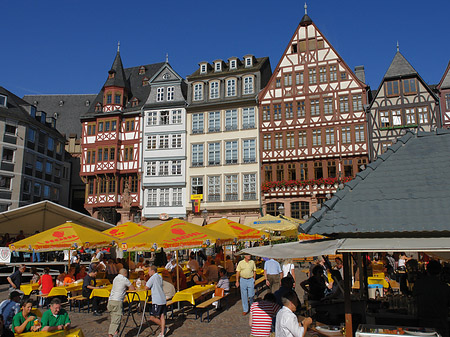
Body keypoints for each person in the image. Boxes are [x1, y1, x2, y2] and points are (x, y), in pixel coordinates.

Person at [413, 260, 450, 337]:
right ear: (440, 271)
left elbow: (414, 299)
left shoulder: (419, 284)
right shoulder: (444, 287)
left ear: (427, 270)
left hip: (423, 322)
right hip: (441, 323)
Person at [107, 268, 135, 337]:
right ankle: (111, 334)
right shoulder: (124, 279)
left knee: (114, 318)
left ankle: (115, 333)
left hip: (111, 300)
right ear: (125, 274)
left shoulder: (115, 278)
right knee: (116, 320)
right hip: (117, 300)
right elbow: (132, 288)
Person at [145, 265, 168, 337]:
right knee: (162, 315)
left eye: (149, 271)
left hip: (157, 299)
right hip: (162, 298)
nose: (148, 272)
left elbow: (146, 287)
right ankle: (162, 333)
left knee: (152, 317)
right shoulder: (159, 276)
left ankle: (164, 327)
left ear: (152, 271)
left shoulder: (153, 278)